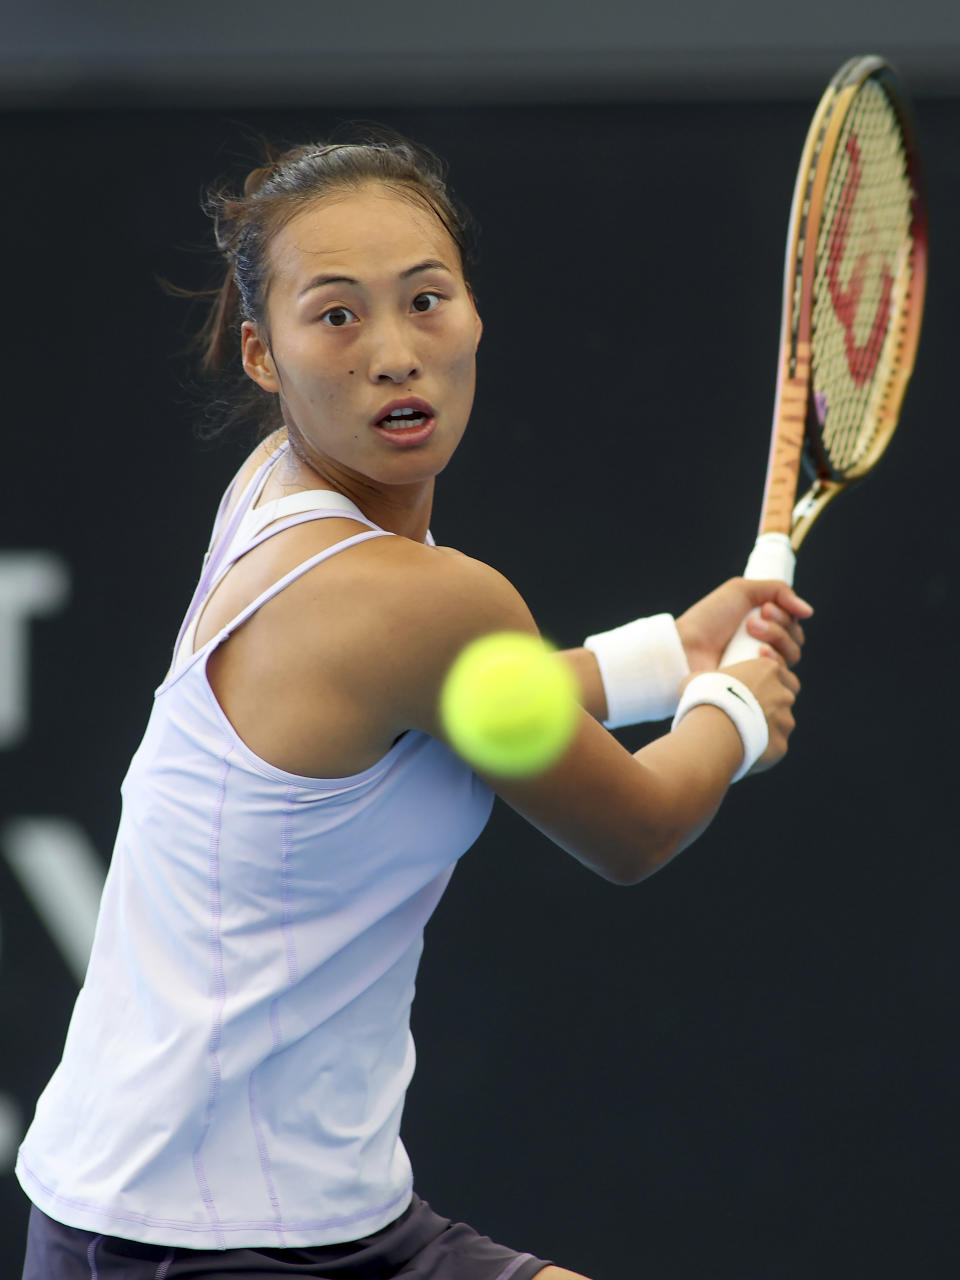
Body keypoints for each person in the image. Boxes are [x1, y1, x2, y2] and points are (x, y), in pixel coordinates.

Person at [17, 133, 810, 1280]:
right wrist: (734, 711)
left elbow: (462, 706)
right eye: (336, 316)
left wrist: (665, 658)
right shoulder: (414, 599)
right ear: (261, 352)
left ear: (476, 315)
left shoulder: (276, 492)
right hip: (173, 1242)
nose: (395, 352)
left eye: (426, 300)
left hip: (342, 1217)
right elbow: (634, 826)